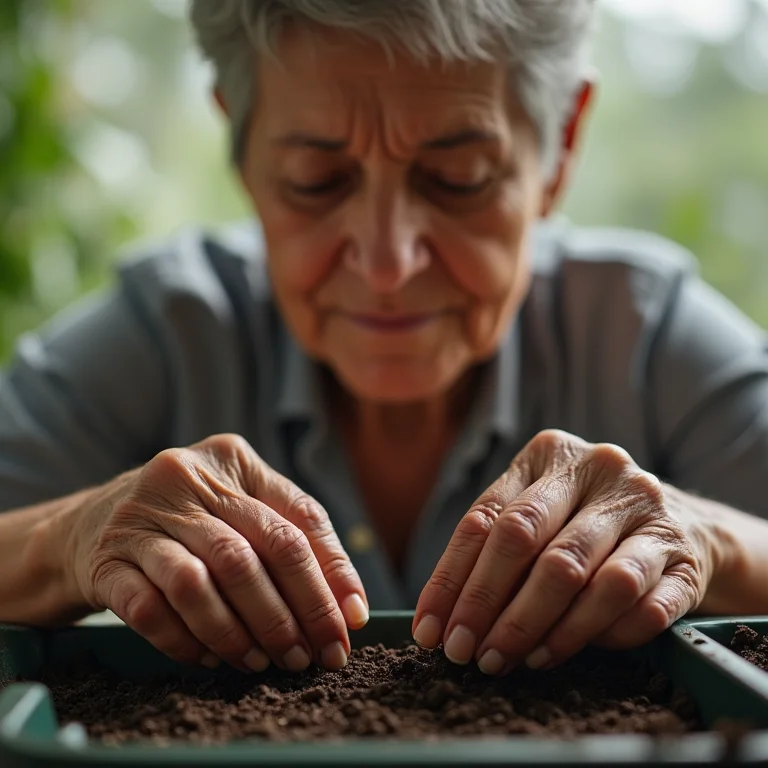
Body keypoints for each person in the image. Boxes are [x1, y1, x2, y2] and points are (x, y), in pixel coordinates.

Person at [1, 0, 767, 679]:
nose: (388, 264)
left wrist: (712, 540)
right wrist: (70, 538)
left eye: (458, 178)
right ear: (241, 138)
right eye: (315, 180)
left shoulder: (644, 332)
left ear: (560, 145)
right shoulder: (166, 331)